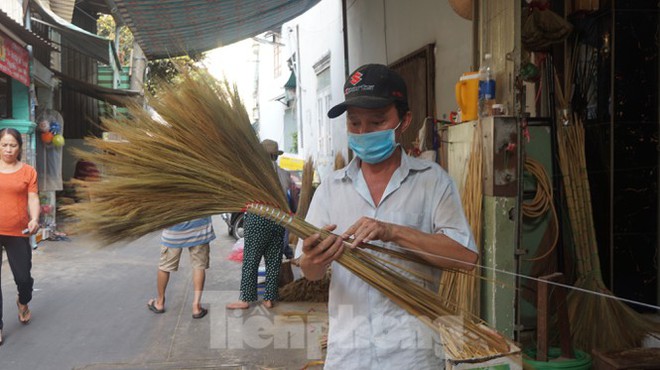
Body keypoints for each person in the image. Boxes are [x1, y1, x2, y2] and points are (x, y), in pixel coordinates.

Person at [295, 64, 479, 369]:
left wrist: (393, 232)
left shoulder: (432, 181)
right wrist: (313, 261)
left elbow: (465, 257)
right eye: (355, 124)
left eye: (377, 122)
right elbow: (309, 272)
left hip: (413, 355)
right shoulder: (331, 188)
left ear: (403, 121)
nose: (363, 133)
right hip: (349, 354)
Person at [226, 139, 293, 309]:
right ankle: (269, 298)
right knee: (273, 260)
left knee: (251, 259)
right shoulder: (284, 174)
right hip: (278, 220)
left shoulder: (253, 174)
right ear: (275, 156)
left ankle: (245, 299)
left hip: (258, 219)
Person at [0, 128, 40, 345]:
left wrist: (34, 218)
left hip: (18, 232)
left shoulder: (28, 172)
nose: (8, 149)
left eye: (12, 145)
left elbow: (33, 198)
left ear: (19, 147)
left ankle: (23, 302)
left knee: (24, 279)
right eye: (4, 144)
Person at [147, 217, 215, 319]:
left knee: (165, 266)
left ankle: (159, 303)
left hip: (174, 231)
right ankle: (196, 306)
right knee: (199, 266)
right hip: (199, 230)